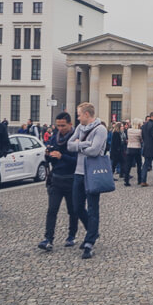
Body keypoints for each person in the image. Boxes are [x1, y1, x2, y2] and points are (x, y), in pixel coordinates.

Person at [38, 111, 85, 251]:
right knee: (52, 210)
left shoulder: (76, 139)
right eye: (58, 125)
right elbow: (51, 160)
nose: (60, 128)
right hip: (56, 179)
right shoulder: (54, 138)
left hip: (71, 179)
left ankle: (71, 236)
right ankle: (48, 239)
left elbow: (77, 161)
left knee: (73, 210)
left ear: (70, 124)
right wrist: (48, 156)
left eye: (63, 125)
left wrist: (61, 156)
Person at [67, 102, 108, 260]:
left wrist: (79, 145)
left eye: (78, 114)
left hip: (92, 173)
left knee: (92, 209)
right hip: (78, 172)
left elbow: (95, 151)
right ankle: (93, 231)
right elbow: (69, 146)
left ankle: (90, 241)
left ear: (86, 114)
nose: (77, 118)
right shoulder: (79, 128)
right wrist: (84, 145)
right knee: (76, 207)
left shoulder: (101, 129)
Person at [124, 119, 142, 186]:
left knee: (128, 165)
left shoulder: (129, 130)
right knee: (139, 165)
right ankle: (139, 180)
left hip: (130, 147)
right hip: (137, 148)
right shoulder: (139, 131)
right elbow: (141, 139)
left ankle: (126, 180)